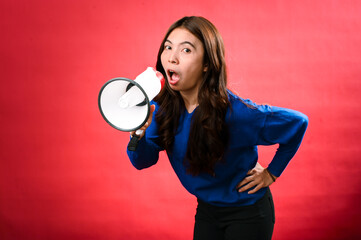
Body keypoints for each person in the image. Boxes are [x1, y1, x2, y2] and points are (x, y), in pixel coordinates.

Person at [127, 16, 308, 240]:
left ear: (206, 64)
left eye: (186, 50)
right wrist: (138, 131)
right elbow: (142, 161)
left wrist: (272, 173)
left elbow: (298, 122)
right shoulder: (161, 110)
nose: (171, 58)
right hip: (207, 210)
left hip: (248, 213)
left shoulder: (237, 113)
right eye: (168, 47)